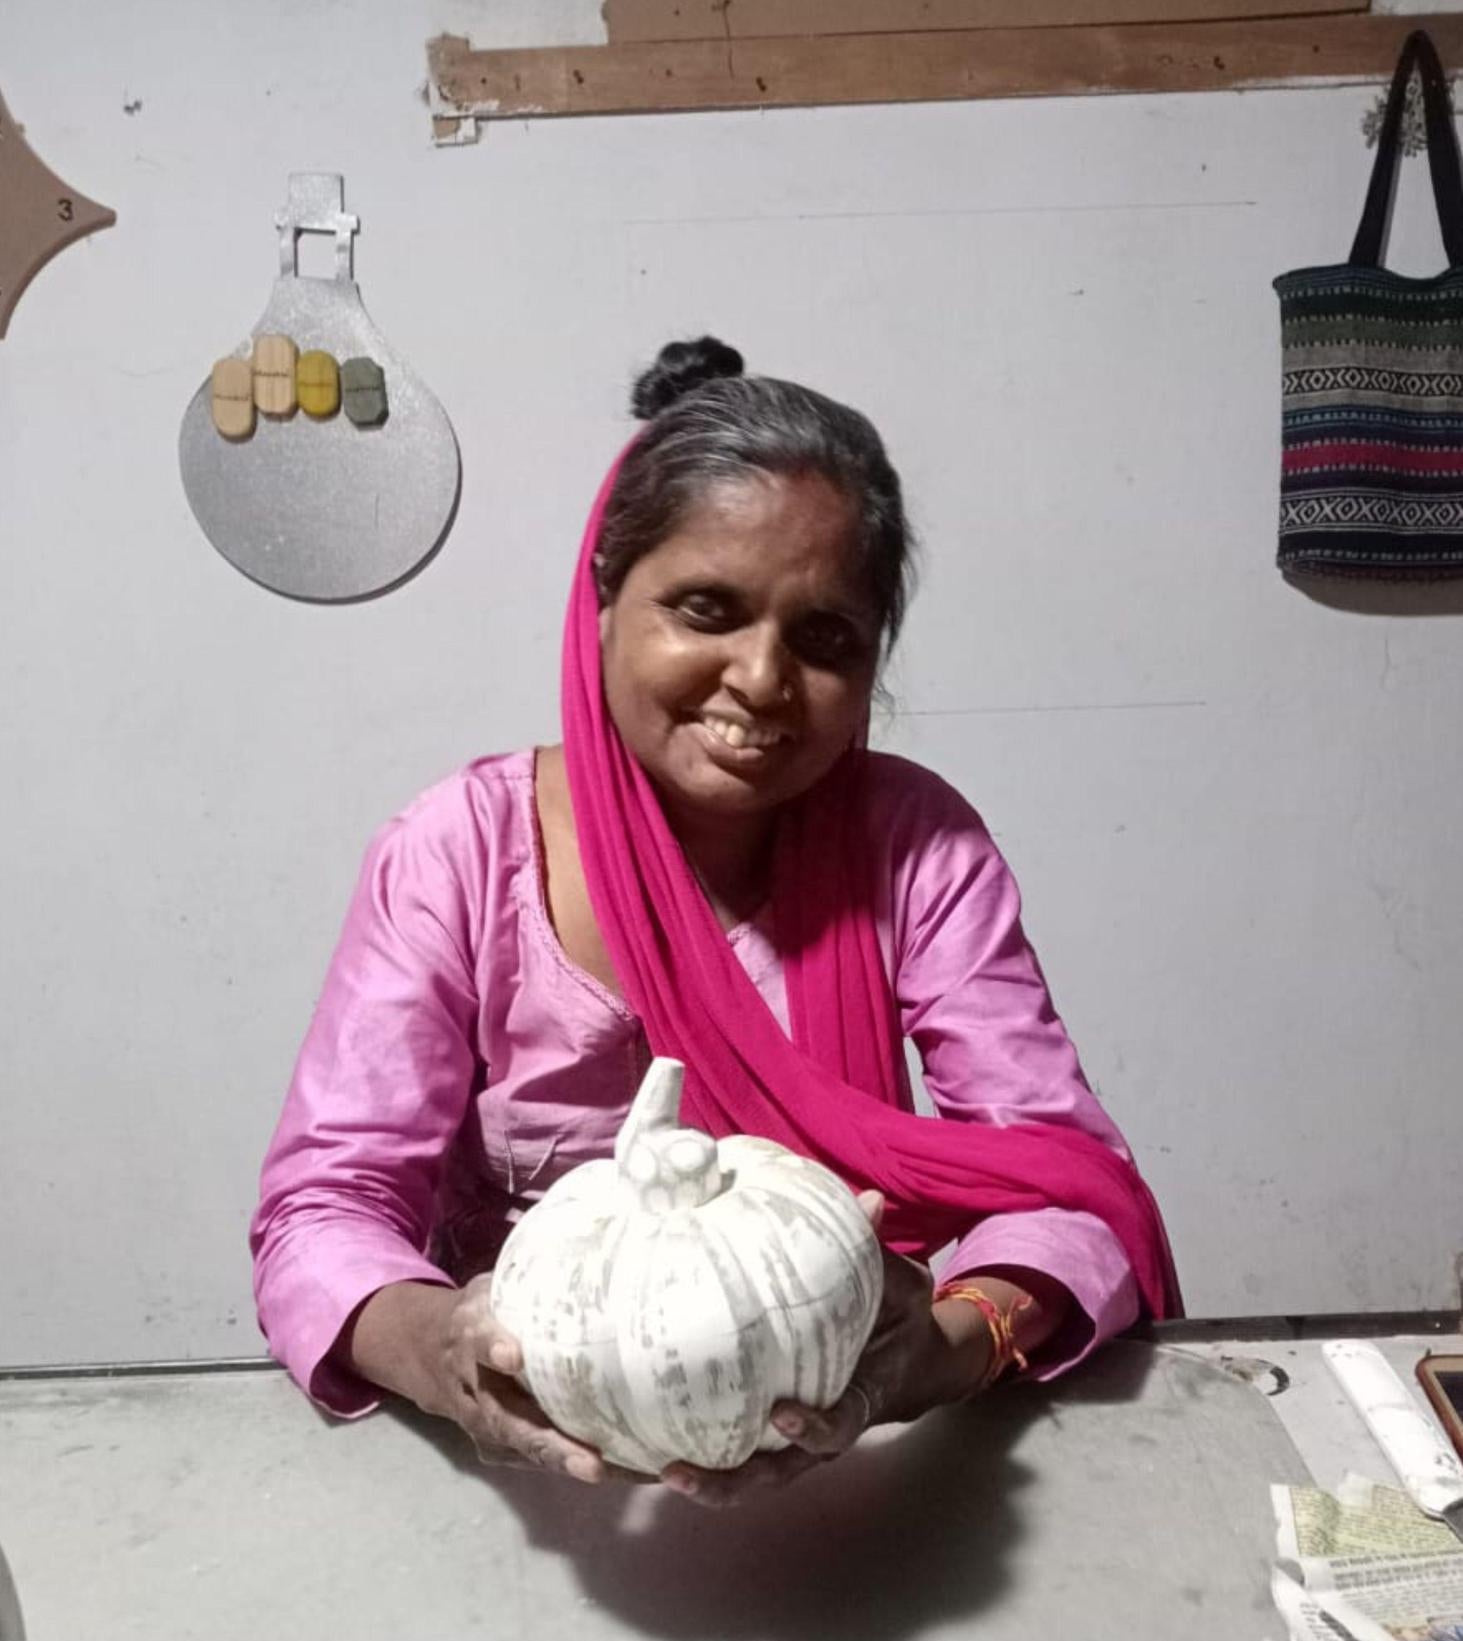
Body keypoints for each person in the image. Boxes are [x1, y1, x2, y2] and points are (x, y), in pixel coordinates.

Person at [251, 337, 1179, 1508]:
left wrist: (937, 1351)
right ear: (601, 598)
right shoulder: (460, 852)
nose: (760, 679)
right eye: (707, 609)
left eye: (825, 637)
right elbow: (322, 1209)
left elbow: (1062, 1176)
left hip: (840, 1454)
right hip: (530, 1463)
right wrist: (442, 1353)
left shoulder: (916, 846)